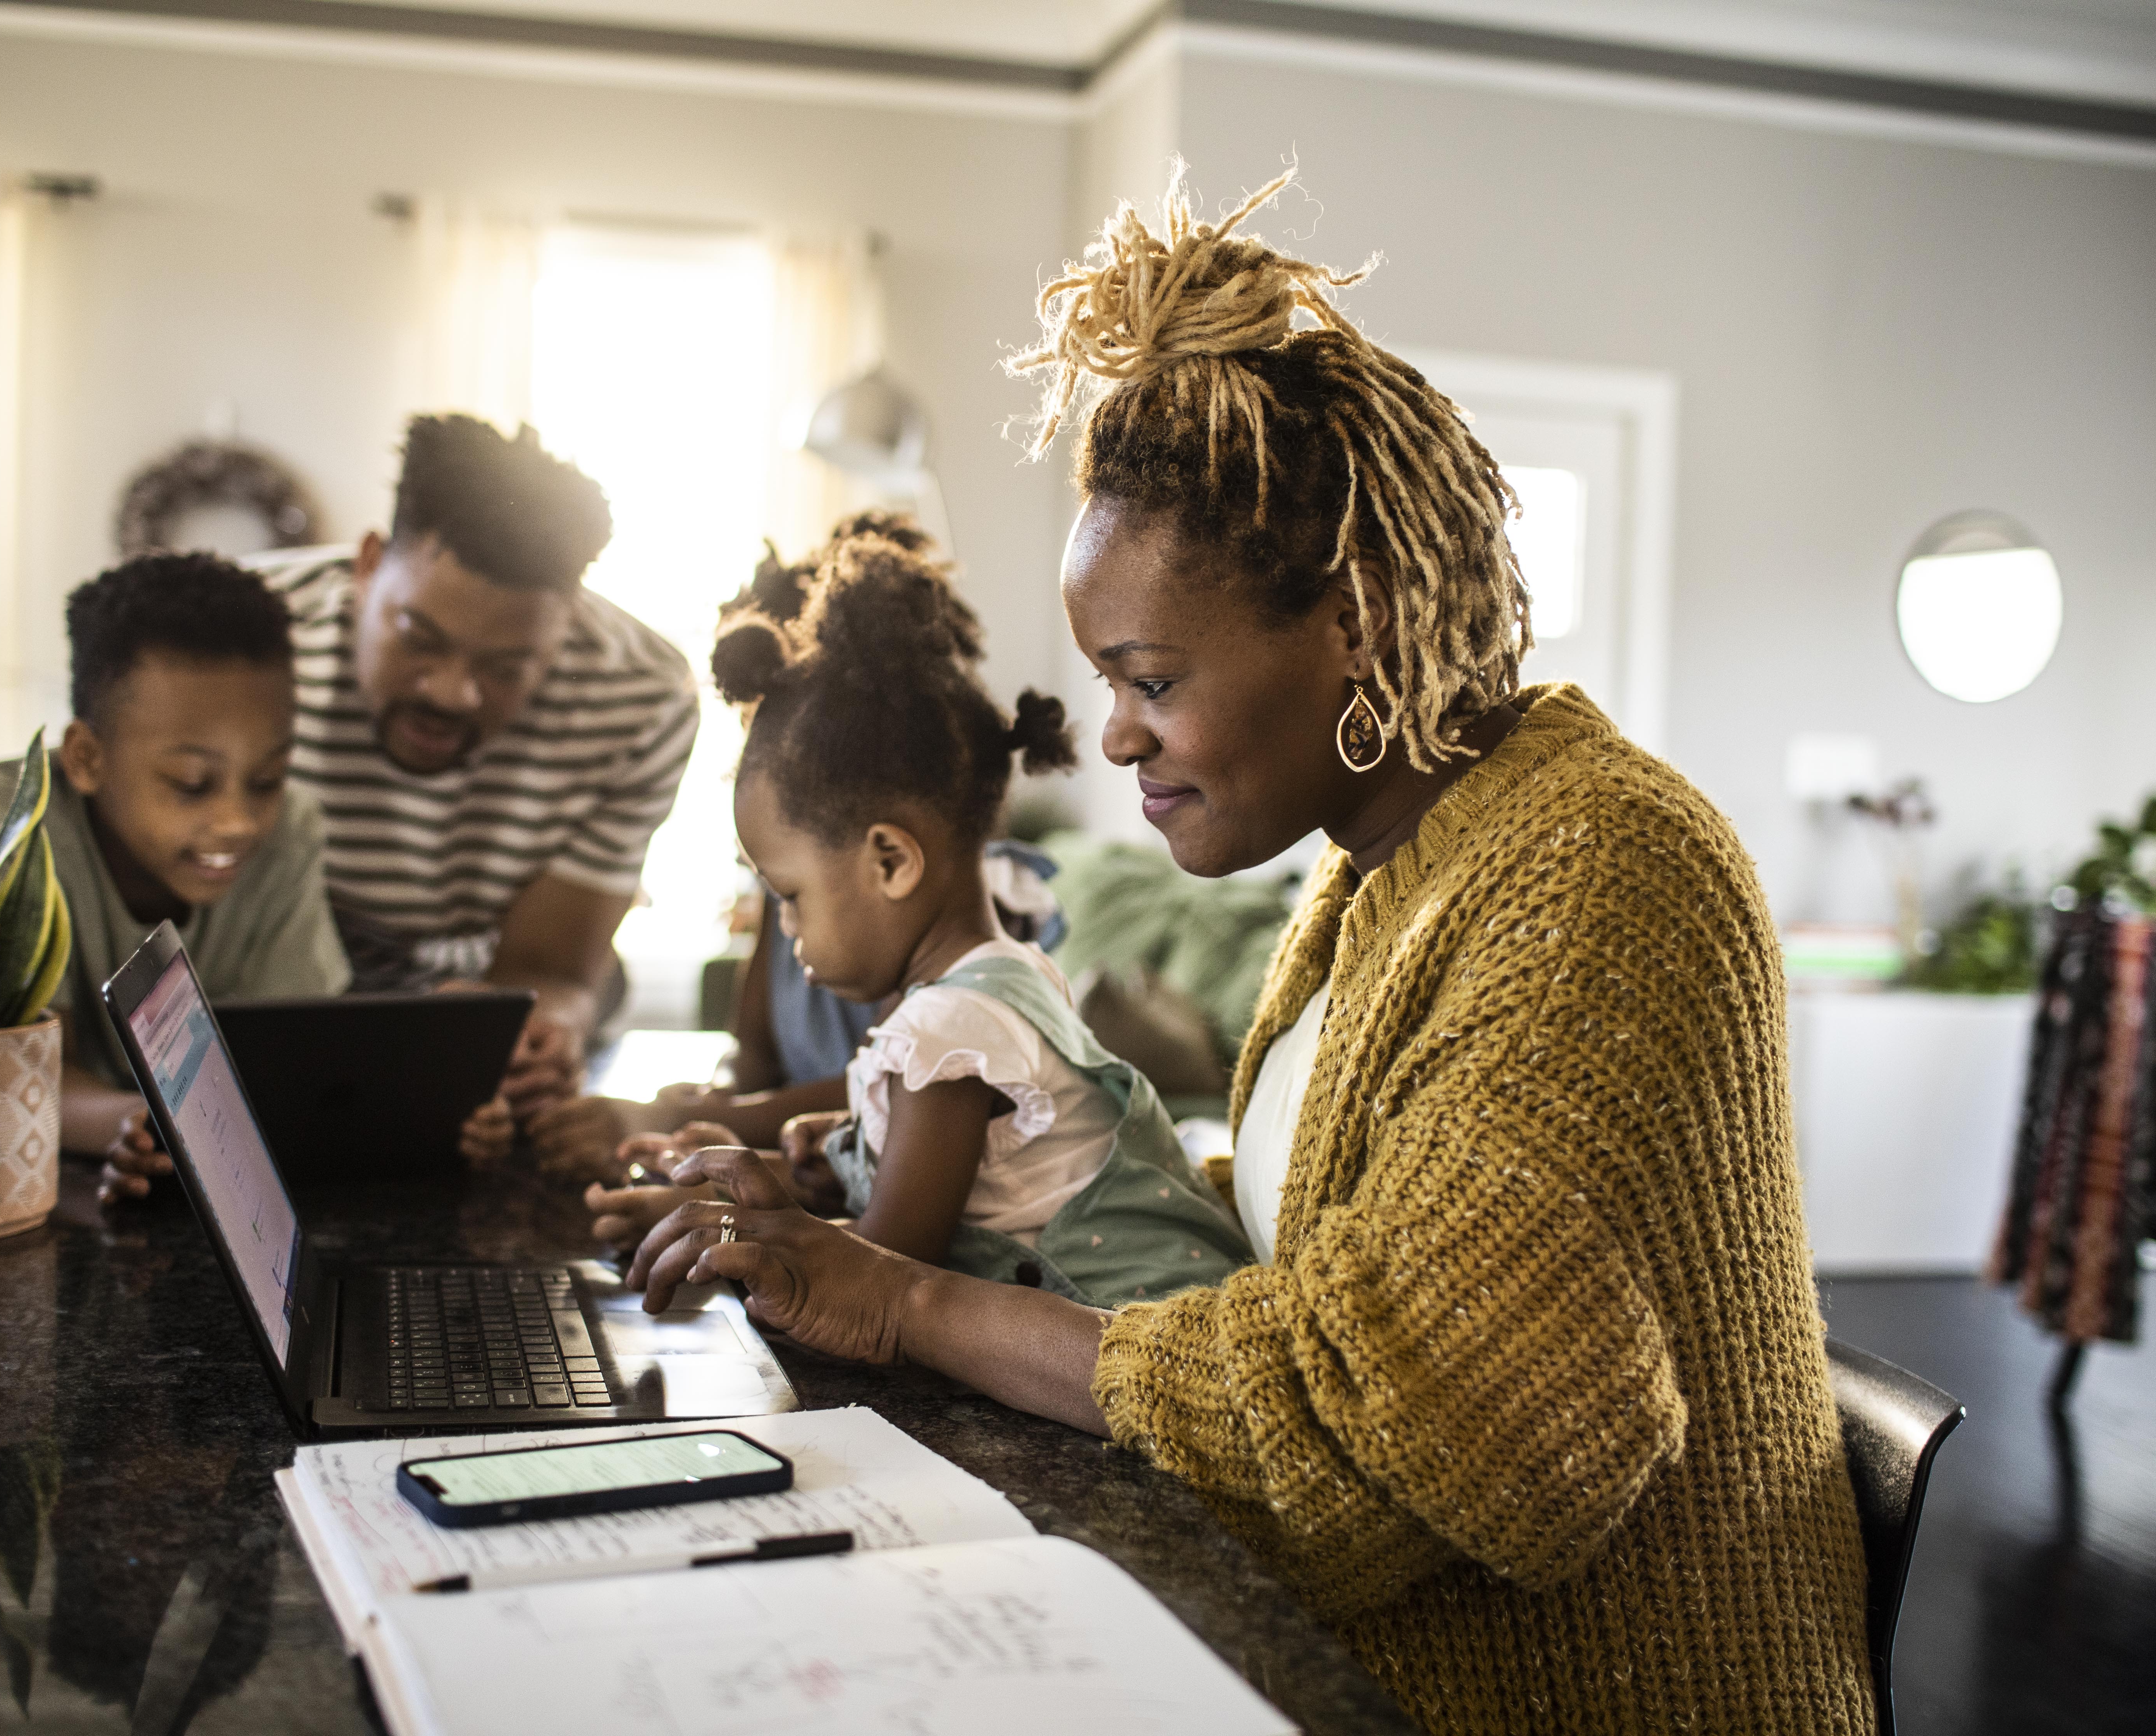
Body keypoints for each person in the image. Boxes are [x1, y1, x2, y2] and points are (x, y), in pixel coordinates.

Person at [616, 170, 1876, 1734]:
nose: (1117, 731)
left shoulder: (1601, 872)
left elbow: (1441, 1428)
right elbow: (1321, 1242)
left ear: (1354, 618)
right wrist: (901, 1192)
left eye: (1147, 674)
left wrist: (907, 1302)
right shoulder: (1381, 872)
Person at [586, 525, 1249, 1309]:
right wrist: (827, 1151)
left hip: (1144, 1353)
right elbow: (979, 1185)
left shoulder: (950, 1028)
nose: (786, 927)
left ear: (891, 862)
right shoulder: (995, 981)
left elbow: (880, 1274)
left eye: (791, 895)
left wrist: (724, 1224)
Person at [527, 513, 1069, 1171]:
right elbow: (755, 1060)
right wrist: (710, 1119)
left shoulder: (970, 937)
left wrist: (691, 1121)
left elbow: (898, 1100)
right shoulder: (797, 884)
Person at [254, 414, 699, 1138]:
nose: (453, 694)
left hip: (489, 978)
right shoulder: (249, 640)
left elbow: (552, 966)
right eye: (419, 640)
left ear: (566, 626)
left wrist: (535, 1027)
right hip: (290, 980)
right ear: (368, 566)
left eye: (506, 668)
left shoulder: (643, 695)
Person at [4, 553, 349, 1203]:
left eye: (267, 779)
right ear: (85, 758)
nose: (239, 821)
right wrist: (132, 1124)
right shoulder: (15, 829)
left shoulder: (291, 831)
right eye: (193, 784)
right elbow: (15, 1075)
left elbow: (291, 1064)